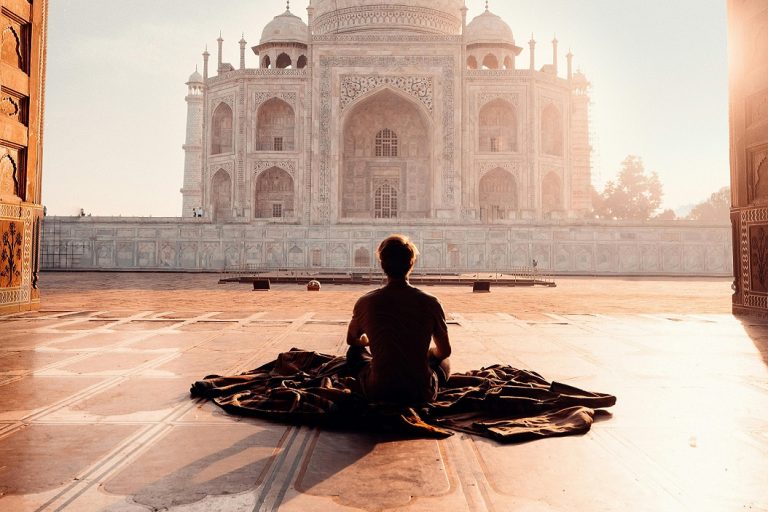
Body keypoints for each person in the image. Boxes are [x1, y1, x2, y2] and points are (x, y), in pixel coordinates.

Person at [346, 235, 451, 405]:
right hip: (420, 393)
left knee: (354, 353)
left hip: (378, 391)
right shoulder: (430, 302)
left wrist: (368, 342)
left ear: (382, 265)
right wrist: (429, 353)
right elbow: (444, 351)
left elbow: (351, 339)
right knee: (443, 361)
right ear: (412, 264)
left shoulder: (366, 301)